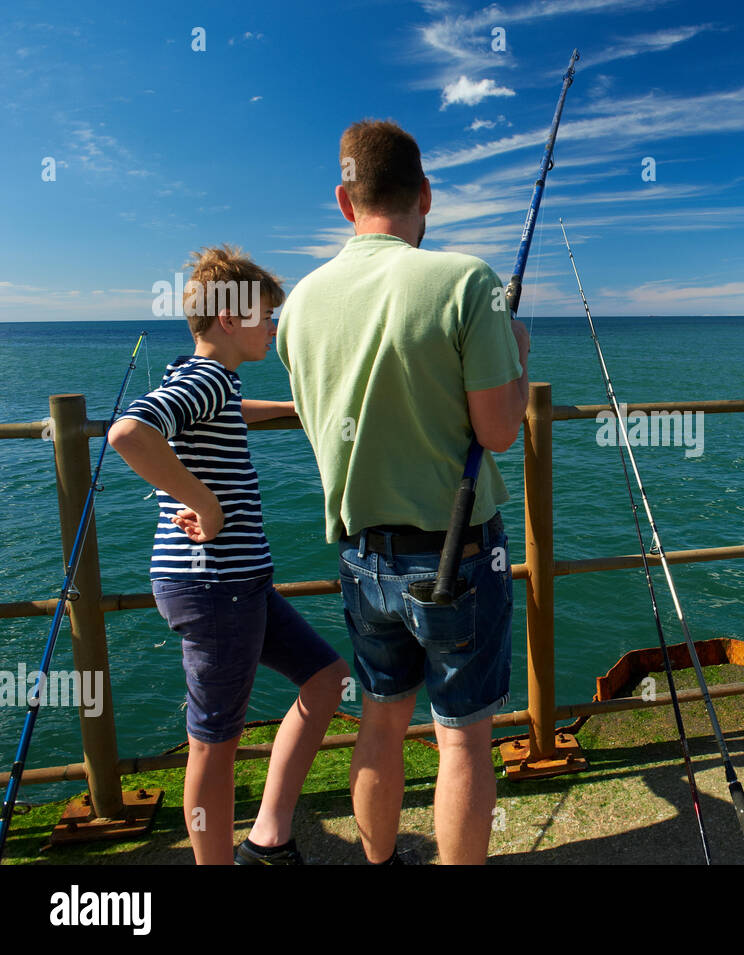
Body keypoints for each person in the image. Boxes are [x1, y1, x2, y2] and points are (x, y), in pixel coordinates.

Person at [275, 119, 528, 865]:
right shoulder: (467, 282)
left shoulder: (301, 305)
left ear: (344, 199)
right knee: (463, 738)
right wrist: (516, 355)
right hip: (456, 558)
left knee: (381, 720)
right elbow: (498, 430)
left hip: (362, 556)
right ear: (426, 195)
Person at [109, 245, 349, 864]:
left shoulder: (206, 379)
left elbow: (223, 412)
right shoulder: (209, 378)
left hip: (239, 584)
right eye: (266, 315)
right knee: (214, 745)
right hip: (215, 586)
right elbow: (129, 433)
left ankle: (268, 838)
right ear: (227, 319)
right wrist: (206, 503)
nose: (273, 326)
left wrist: (295, 409)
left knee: (326, 679)